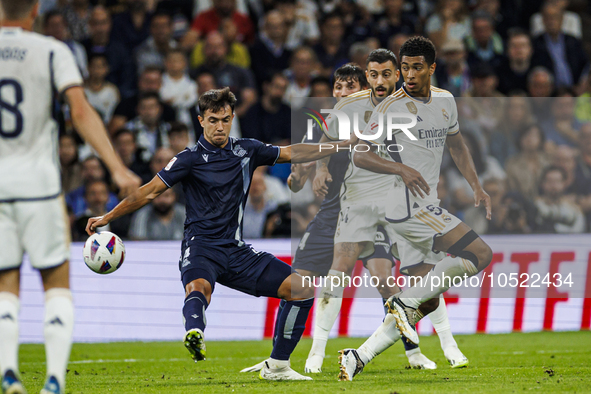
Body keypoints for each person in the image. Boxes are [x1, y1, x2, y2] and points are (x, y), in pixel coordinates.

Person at [85, 87, 356, 381]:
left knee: (300, 289)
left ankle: (277, 366)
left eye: (225, 119)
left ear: (232, 118)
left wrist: (339, 146)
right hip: (201, 247)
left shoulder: (247, 150)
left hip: (236, 250)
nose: (219, 126)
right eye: (213, 120)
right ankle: (195, 332)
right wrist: (108, 216)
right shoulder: (187, 159)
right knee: (199, 287)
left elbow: (292, 152)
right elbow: (150, 192)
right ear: (200, 120)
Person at [0, 1, 140, 393]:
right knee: (55, 282)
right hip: (41, 187)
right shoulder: (52, 51)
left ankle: (9, 372)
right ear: (34, 13)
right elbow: (79, 110)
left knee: (5, 282)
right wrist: (116, 167)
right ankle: (55, 381)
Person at [338, 36, 493, 380]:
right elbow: (361, 153)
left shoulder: (445, 100)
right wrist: (401, 168)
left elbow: (456, 145)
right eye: (404, 67)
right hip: (406, 207)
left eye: (416, 67)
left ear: (432, 68)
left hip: (427, 204)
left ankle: (358, 356)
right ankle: (404, 303)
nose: (408, 74)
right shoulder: (390, 107)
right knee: (480, 254)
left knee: (428, 298)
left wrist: (476, 185)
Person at [84, 53, 120, 124]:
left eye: (100, 67)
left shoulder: (112, 91)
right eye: (94, 66)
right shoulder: (81, 90)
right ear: (88, 68)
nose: (97, 70)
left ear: (107, 69)